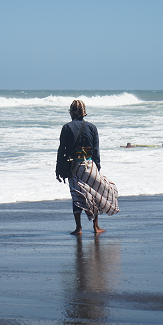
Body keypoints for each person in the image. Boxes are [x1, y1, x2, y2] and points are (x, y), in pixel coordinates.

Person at [56, 100, 119, 235]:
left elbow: (61, 150)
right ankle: (96, 227)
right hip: (90, 165)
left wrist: (58, 170)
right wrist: (97, 169)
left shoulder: (66, 128)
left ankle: (78, 228)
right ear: (83, 113)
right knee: (93, 194)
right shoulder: (92, 127)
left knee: (76, 195)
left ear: (72, 112)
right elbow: (96, 150)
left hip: (74, 166)